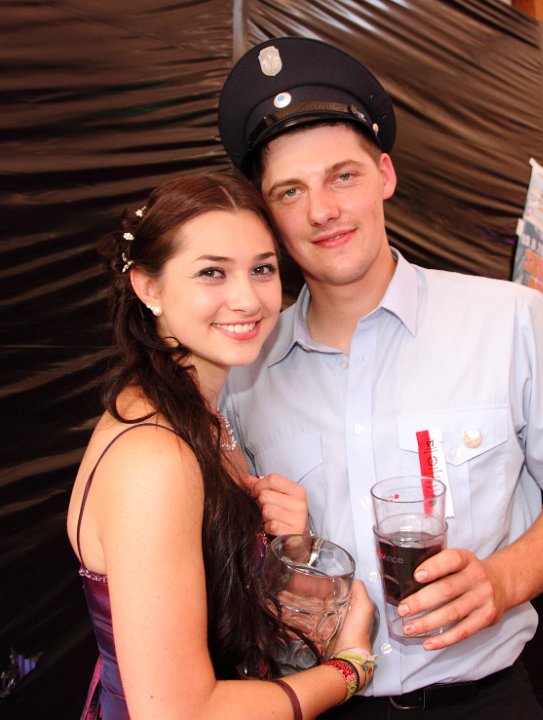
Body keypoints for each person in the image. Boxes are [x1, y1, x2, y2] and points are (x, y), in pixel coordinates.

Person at [218, 37, 543, 719]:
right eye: (290, 190)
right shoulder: (243, 372)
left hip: (484, 701)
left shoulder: (507, 321)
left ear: (384, 174)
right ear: (266, 212)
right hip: (320, 701)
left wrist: (500, 581)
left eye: (342, 176)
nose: (322, 211)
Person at [66, 172, 377, 720]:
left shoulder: (201, 417)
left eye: (262, 269)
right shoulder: (155, 457)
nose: (247, 299)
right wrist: (351, 668)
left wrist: (287, 550)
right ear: (149, 288)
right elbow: (180, 712)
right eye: (212, 272)